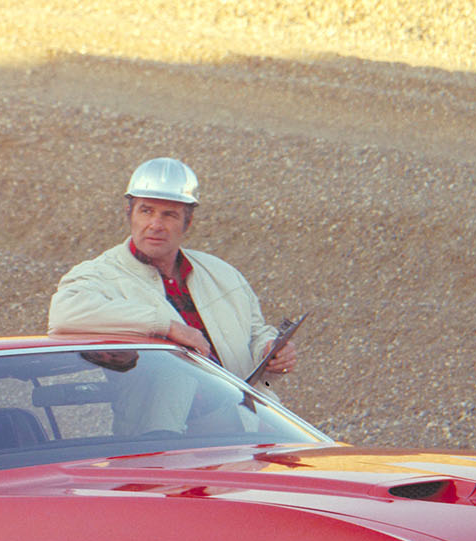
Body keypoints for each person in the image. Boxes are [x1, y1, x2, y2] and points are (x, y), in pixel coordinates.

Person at [47, 157, 299, 384]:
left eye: (169, 215)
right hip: (162, 430)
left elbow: (255, 332)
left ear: (187, 222)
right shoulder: (99, 274)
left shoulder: (223, 274)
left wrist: (270, 353)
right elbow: (63, 313)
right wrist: (167, 326)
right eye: (146, 211)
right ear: (129, 213)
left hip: (242, 421)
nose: (155, 225)